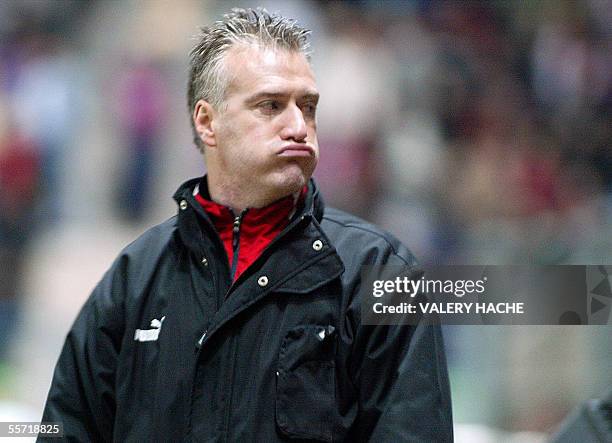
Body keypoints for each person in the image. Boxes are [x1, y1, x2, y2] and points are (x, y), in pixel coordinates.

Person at [40, 8, 452, 442]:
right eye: (270, 105)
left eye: (307, 107)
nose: (299, 127)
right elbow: (66, 428)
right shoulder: (136, 277)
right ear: (207, 121)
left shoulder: (382, 273)